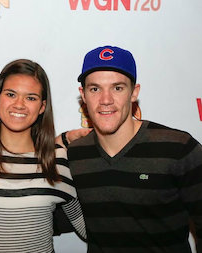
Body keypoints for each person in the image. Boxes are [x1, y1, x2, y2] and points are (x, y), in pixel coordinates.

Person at [55, 45, 202, 253]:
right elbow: (53, 215)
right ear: (83, 94)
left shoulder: (179, 149)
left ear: (134, 93)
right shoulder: (75, 155)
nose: (105, 100)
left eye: (117, 88)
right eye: (95, 88)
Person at [0, 59, 87, 253]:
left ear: (42, 107)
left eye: (30, 98)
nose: (19, 105)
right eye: (11, 94)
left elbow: (88, 230)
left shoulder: (56, 161)